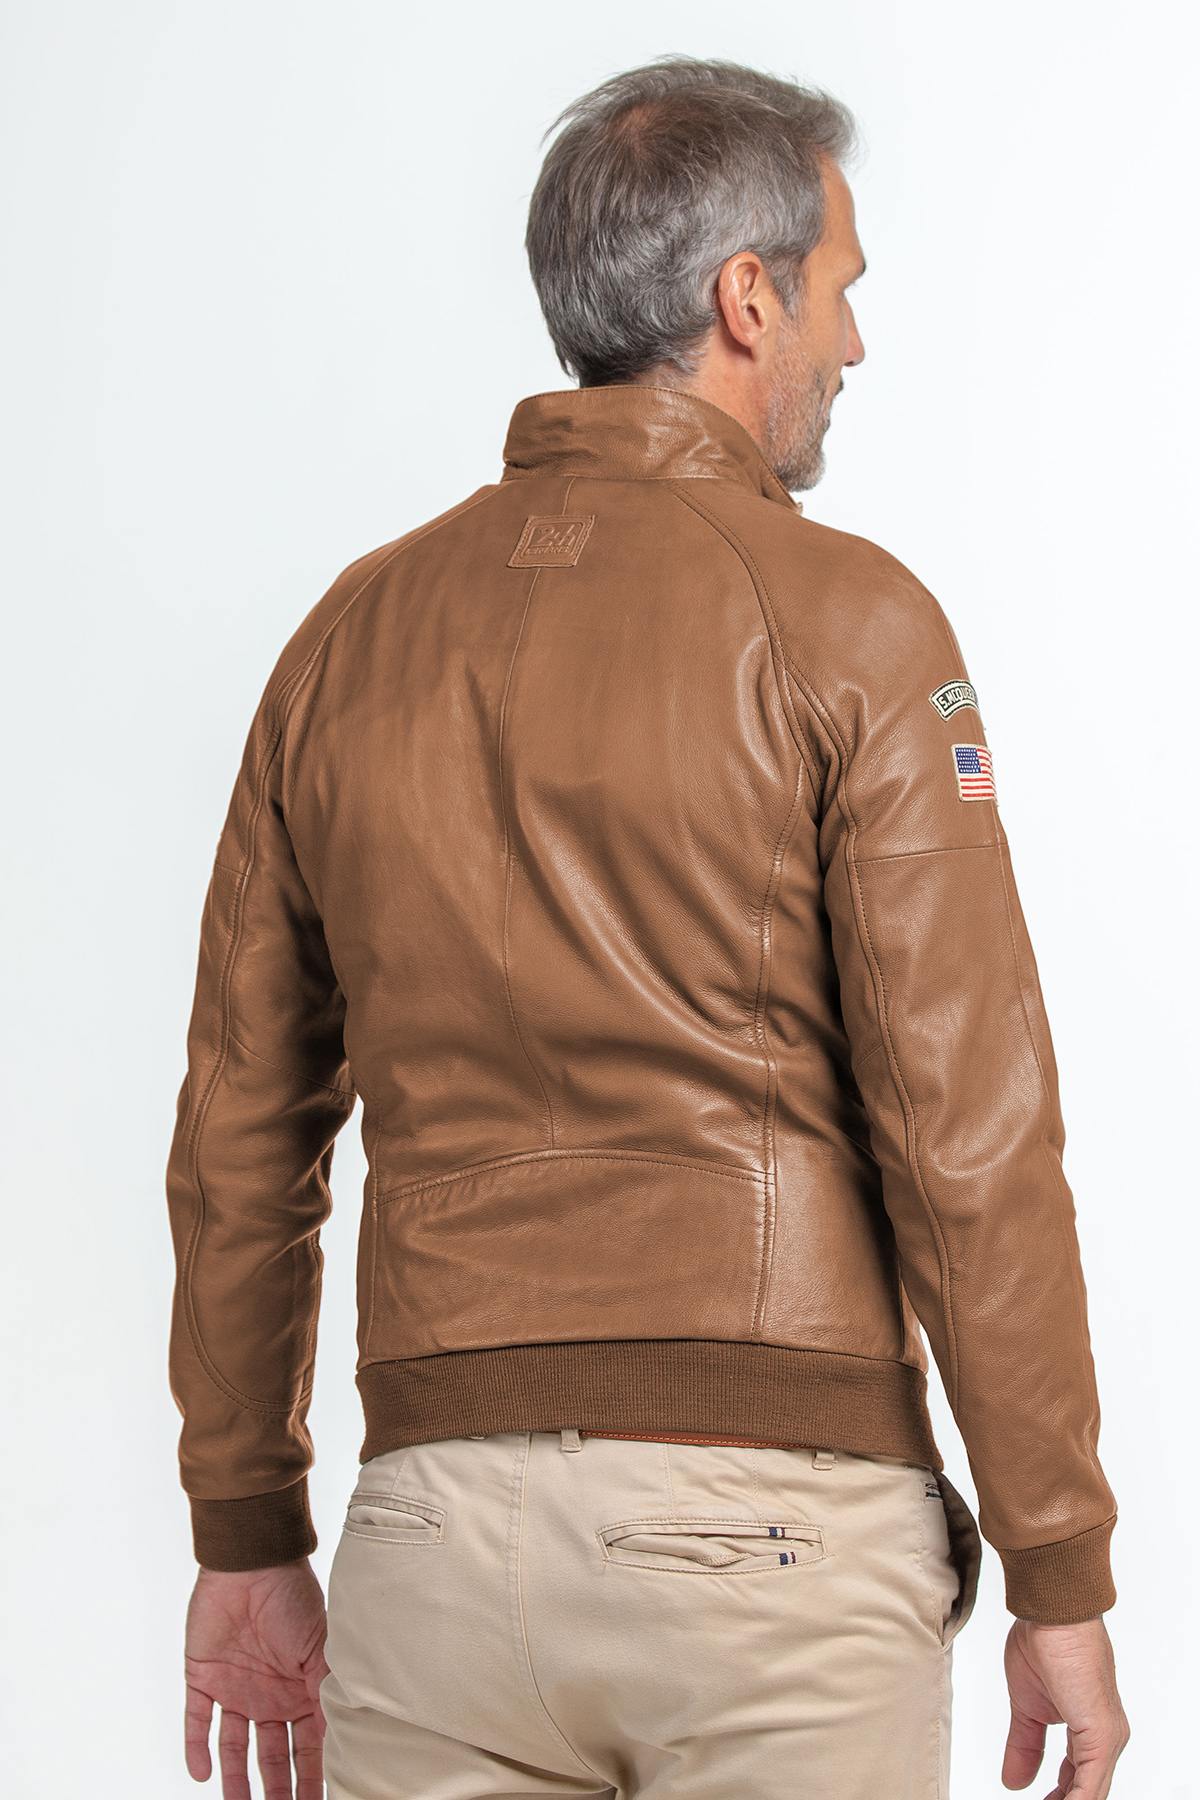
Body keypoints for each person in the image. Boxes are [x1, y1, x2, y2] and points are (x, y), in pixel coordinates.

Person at [167, 55, 1128, 1800]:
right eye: (839, 288)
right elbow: (967, 1135)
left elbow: (241, 1132)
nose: (854, 339)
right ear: (745, 298)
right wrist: (1057, 1561)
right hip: (774, 1543)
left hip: (430, 1546)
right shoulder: (853, 624)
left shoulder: (346, 641)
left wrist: (245, 1527)